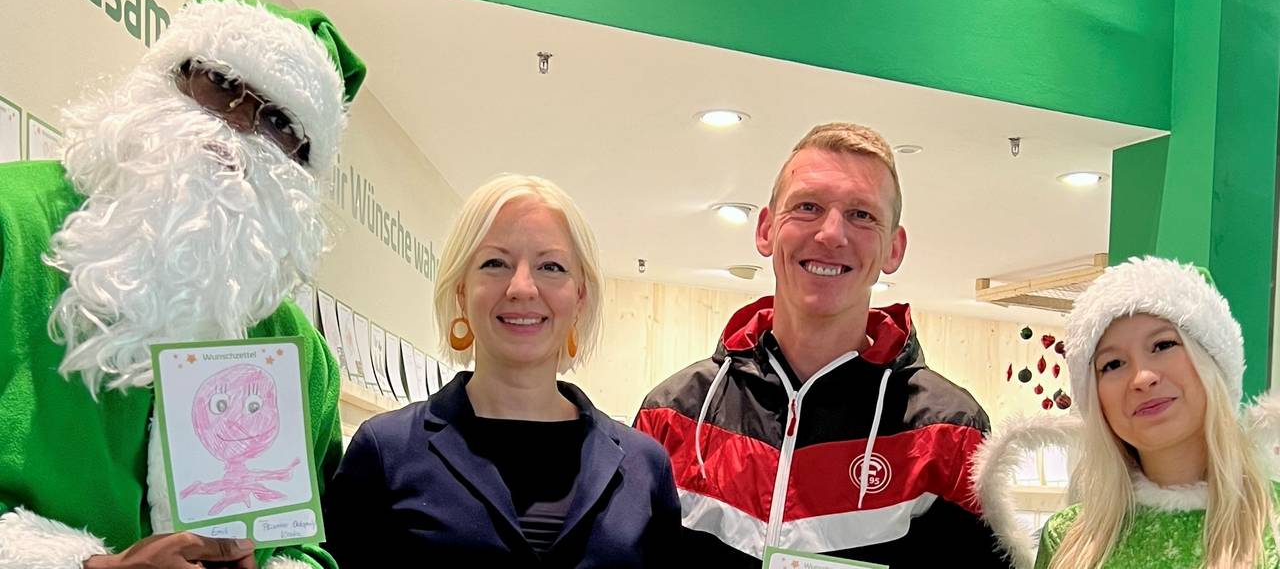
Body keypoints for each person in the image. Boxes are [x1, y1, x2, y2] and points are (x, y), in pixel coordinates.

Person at [0, 0, 366, 569]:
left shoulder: (297, 350)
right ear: (167, 78)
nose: (236, 131)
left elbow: (307, 547)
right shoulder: (10, 222)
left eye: (278, 122)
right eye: (220, 84)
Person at [635, 122, 1008, 566]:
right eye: (808, 207)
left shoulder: (948, 432)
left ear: (894, 248)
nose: (832, 234)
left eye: (862, 214)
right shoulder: (673, 415)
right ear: (767, 230)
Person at [323, 174, 681, 566]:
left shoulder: (644, 466)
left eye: (551, 266)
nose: (522, 287)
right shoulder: (385, 451)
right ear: (461, 290)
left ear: (580, 296)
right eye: (495, 263)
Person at [976, 256, 1279, 569]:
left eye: (1162, 345)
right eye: (1113, 364)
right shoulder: (1067, 540)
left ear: (1211, 359)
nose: (1142, 378)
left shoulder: (1273, 524)